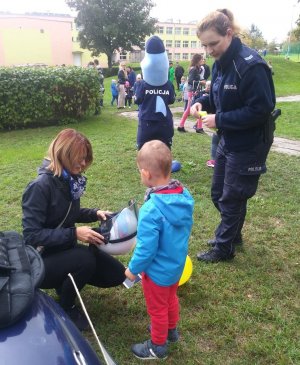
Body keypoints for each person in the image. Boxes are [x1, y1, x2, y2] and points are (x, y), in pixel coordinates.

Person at [190, 9, 276, 262]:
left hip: (250, 143)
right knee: (219, 193)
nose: (209, 51)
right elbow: (216, 96)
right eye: (204, 46)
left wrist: (219, 120)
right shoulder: (220, 64)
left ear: (229, 34)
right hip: (228, 140)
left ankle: (224, 247)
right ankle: (233, 233)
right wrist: (201, 101)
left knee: (232, 196)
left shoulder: (251, 65)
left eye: (213, 44)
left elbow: (261, 110)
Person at [22, 129, 126, 330]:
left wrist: (95, 213)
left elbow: (67, 213)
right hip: (39, 261)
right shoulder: (39, 186)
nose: (83, 164)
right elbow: (31, 235)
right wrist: (74, 233)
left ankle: (65, 284)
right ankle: (66, 307)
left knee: (115, 272)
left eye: (86, 159)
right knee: (84, 259)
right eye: (79, 158)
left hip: (59, 249)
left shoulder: (68, 179)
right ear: (63, 154)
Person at [125, 140, 194, 360]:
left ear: (146, 173)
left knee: (157, 309)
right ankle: (171, 332)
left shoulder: (151, 209)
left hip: (157, 273)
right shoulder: (183, 196)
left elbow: (146, 250)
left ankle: (157, 346)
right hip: (176, 266)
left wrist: (132, 270)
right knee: (171, 299)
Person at [134, 36, 175, 150]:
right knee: (164, 150)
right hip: (164, 122)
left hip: (147, 122)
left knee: (144, 150)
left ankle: (145, 168)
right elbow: (171, 100)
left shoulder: (142, 84)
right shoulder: (168, 84)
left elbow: (138, 99)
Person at [177, 54, 204, 134]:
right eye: (201, 59)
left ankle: (198, 127)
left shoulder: (197, 69)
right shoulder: (194, 69)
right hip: (192, 92)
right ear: (198, 60)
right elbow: (190, 81)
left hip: (195, 91)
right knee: (190, 109)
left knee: (198, 107)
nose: (203, 60)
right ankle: (182, 126)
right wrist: (200, 82)